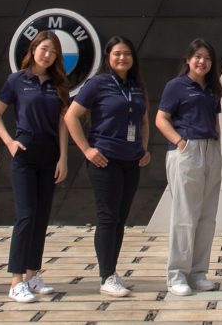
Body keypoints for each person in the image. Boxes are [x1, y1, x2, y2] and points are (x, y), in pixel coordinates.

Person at [66, 36, 150, 298]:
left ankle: (112, 270)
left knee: (120, 219)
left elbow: (144, 121)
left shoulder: (136, 86)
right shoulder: (98, 84)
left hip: (131, 161)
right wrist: (87, 150)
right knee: (107, 218)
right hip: (105, 161)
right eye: (116, 54)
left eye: (126, 54)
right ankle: (106, 276)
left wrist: (144, 148)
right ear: (108, 57)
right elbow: (71, 116)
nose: (122, 58)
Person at [0, 30, 72, 303]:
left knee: (40, 217)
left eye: (53, 52)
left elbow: (62, 123)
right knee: (25, 216)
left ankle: (32, 275)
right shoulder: (17, 80)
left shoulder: (58, 84)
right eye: (44, 49)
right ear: (34, 49)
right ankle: (16, 281)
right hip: (24, 153)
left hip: (49, 156)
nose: (48, 55)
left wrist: (63, 157)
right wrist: (9, 142)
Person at [157, 39, 222, 296]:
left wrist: (217, 148)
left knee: (207, 216)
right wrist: (180, 142)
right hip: (187, 151)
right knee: (185, 215)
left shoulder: (212, 88)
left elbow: (215, 120)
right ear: (188, 59)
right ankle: (177, 275)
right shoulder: (176, 86)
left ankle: (198, 272)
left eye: (207, 58)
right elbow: (161, 118)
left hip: (210, 150)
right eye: (198, 56)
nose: (202, 62)